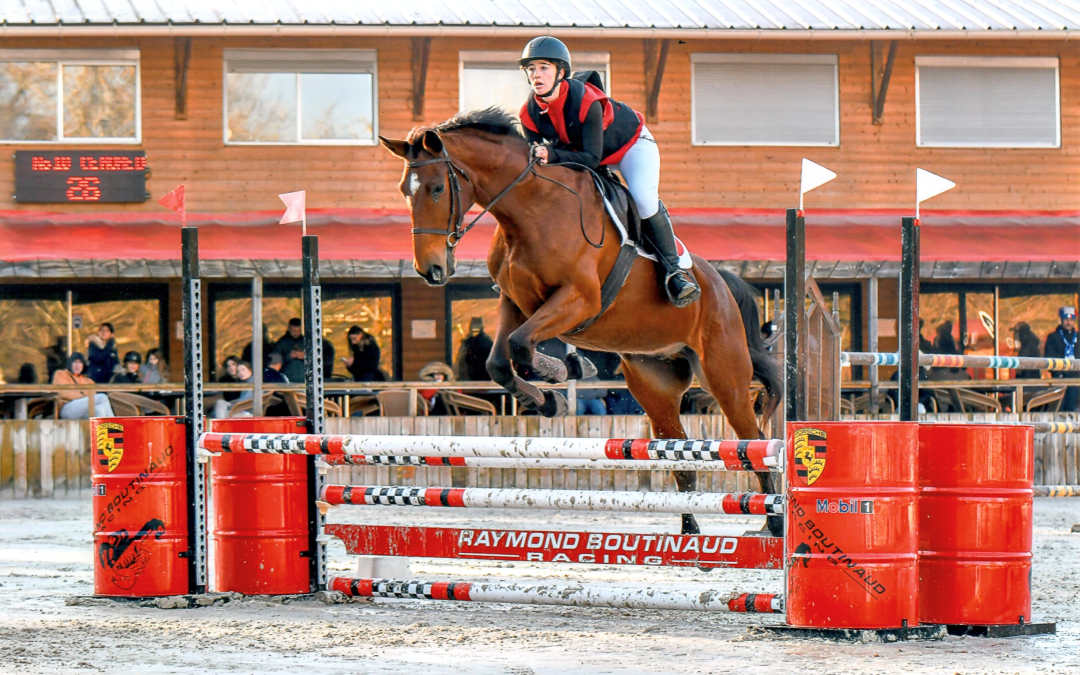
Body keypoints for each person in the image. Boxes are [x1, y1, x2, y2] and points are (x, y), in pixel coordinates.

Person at [516, 36, 699, 307]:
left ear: (561, 73)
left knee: (643, 200)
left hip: (630, 146)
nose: (536, 75)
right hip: (588, 156)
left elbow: (590, 158)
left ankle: (675, 272)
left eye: (544, 67)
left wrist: (551, 155)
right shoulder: (528, 115)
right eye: (531, 68)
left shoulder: (586, 101)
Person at [52, 353, 114, 419]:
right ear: (70, 363)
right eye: (75, 362)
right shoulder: (61, 374)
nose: (77, 365)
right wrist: (83, 396)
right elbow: (63, 393)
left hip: (83, 411)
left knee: (100, 409)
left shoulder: (88, 381)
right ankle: (115, 425)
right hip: (67, 408)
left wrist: (83, 397)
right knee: (102, 397)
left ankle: (102, 429)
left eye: (80, 363)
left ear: (83, 365)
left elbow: (92, 397)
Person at [1045, 306, 1078, 412]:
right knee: (1059, 410)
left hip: (1077, 380)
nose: (1068, 322)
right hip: (1059, 379)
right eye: (1066, 319)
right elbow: (1048, 357)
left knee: (1074, 410)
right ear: (1061, 320)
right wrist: (1057, 373)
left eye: (1071, 320)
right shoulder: (1053, 337)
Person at [455, 317, 494, 381]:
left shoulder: (487, 342)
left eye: (477, 327)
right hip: (468, 376)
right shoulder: (467, 342)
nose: (475, 330)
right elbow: (461, 361)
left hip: (484, 377)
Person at [273, 318, 306, 383]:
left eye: (298, 331)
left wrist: (305, 356)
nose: (296, 333)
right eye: (294, 331)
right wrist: (289, 356)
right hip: (287, 378)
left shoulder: (305, 341)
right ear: (288, 329)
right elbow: (274, 361)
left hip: (303, 377)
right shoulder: (281, 342)